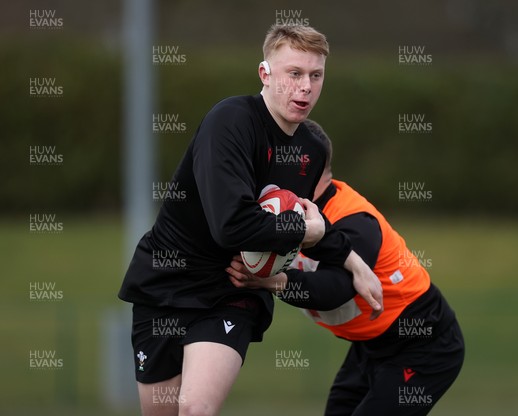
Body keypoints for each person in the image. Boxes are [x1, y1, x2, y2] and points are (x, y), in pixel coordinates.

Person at [118, 26, 383, 416]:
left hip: (233, 287)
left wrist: (353, 262)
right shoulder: (229, 122)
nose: (306, 87)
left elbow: (306, 221)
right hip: (165, 285)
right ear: (265, 74)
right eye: (294, 73)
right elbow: (232, 225)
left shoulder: (309, 148)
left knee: (194, 409)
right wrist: (305, 231)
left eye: (316, 75)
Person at [228, 119, 464, 415]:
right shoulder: (284, 209)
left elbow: (334, 290)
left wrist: (269, 281)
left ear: (309, 168)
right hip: (368, 345)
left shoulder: (354, 220)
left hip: (422, 343)